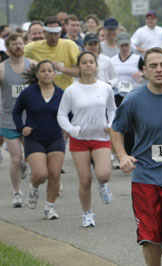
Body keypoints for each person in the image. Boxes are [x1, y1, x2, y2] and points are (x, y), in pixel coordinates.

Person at [111, 47, 162, 266]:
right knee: (148, 235)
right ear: (145, 71)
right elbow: (116, 128)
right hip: (145, 176)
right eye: (153, 66)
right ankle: (156, 240)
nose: (159, 69)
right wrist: (122, 155)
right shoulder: (134, 99)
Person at [57, 51, 116, 227]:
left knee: (103, 175)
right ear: (79, 67)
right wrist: (72, 130)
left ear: (96, 66)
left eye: (91, 62)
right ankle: (87, 213)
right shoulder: (71, 90)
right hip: (80, 139)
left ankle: (103, 184)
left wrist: (111, 123)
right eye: (84, 62)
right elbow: (61, 115)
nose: (88, 64)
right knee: (84, 180)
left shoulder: (105, 88)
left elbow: (113, 109)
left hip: (100, 137)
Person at [12, 60, 64, 218]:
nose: (47, 73)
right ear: (37, 74)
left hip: (55, 138)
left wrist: (69, 129)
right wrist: (22, 128)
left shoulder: (61, 94)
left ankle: (50, 207)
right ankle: (34, 186)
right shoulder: (28, 93)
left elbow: (69, 115)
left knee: (55, 174)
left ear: (54, 74)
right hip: (34, 139)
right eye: (43, 71)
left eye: (50, 70)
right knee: (41, 174)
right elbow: (16, 112)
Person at [0, 33, 35, 208]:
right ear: (8, 48)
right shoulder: (2, 68)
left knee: (29, 156)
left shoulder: (32, 66)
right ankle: (17, 192)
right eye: (14, 45)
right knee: (15, 157)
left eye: (21, 44)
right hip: (8, 118)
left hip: (29, 119)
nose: (18, 47)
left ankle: (26, 170)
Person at [111, 32, 144, 166]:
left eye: (126, 45)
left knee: (132, 126)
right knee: (119, 125)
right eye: (122, 45)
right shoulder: (112, 60)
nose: (125, 47)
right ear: (117, 45)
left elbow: (147, 72)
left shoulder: (137, 59)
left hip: (133, 94)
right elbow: (109, 75)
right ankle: (119, 155)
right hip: (118, 95)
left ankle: (131, 153)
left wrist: (141, 74)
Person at [24, 16, 80, 90]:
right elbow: (18, 62)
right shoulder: (32, 48)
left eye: (56, 34)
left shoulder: (70, 45)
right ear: (44, 32)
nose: (53, 37)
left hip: (64, 93)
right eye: (50, 34)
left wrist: (60, 68)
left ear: (60, 33)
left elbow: (80, 72)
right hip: (41, 93)